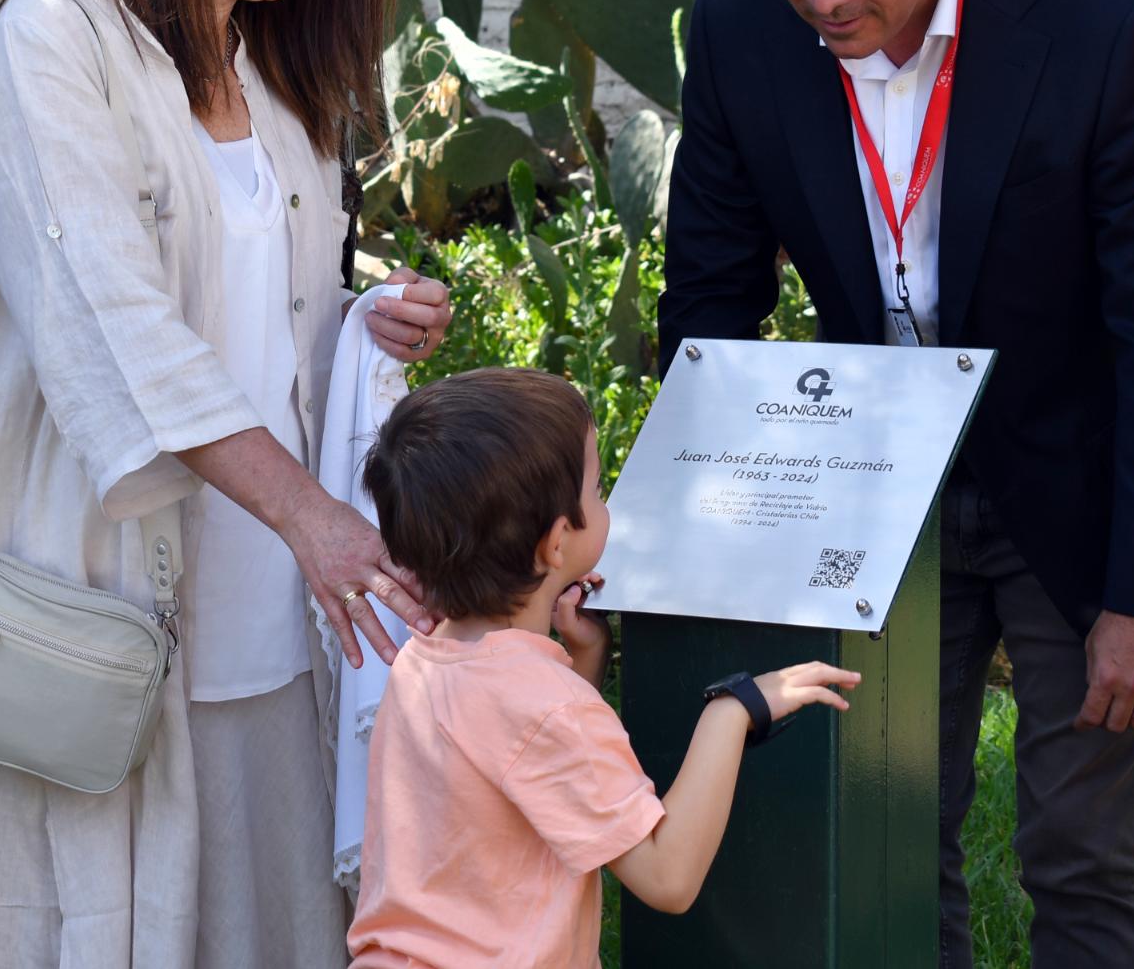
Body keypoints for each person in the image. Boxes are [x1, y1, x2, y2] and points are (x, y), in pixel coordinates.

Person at [659, 0, 1134, 967]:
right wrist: (693, 548)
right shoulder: (731, 31)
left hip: (1077, 476)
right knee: (876, 825)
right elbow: (709, 308)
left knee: (1079, 850)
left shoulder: (1104, 25)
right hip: (867, 488)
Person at [0, 0, 453, 969]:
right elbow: (116, 324)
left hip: (273, 611)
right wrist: (318, 523)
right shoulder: (52, 40)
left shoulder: (268, 72)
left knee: (277, 932)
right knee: (109, 923)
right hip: (101, 600)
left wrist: (364, 328)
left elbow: (262, 321)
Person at [346, 368, 860, 968]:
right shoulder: (548, 706)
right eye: (596, 489)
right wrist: (731, 711)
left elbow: (527, 769)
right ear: (557, 543)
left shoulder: (425, 659)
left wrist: (585, 654)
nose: (604, 502)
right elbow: (668, 877)